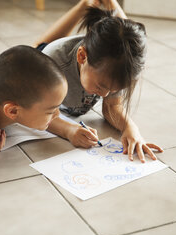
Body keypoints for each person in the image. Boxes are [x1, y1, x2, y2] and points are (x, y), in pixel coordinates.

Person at [34, 0, 163, 163]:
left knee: (128, 39)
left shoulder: (118, 69)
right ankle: (85, 5)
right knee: (36, 50)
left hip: (96, 50)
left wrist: (131, 128)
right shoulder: (52, 64)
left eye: (113, 89)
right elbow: (36, 112)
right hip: (44, 59)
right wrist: (68, 130)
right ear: (82, 57)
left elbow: (112, 106)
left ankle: (110, 5)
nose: (105, 94)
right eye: (101, 86)